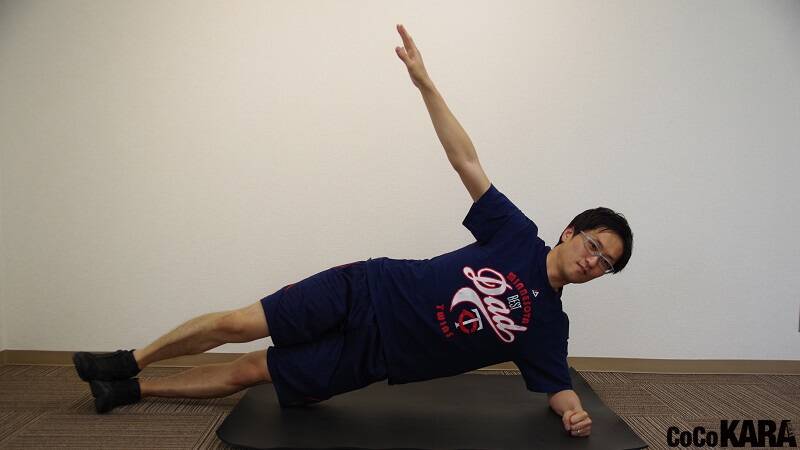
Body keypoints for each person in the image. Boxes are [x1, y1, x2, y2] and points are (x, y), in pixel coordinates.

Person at [73, 24, 632, 439]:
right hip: (365, 288)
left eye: (606, 263)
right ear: (571, 232)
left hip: (374, 357)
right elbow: (466, 162)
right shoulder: (516, 233)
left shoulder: (548, 325)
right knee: (239, 324)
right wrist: (425, 83)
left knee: (252, 370)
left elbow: (557, 385)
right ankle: (131, 359)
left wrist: (572, 413)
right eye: (594, 245)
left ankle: (132, 389)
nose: (593, 262)